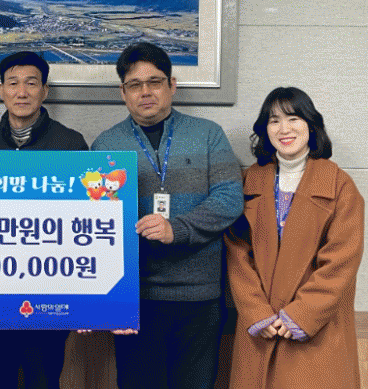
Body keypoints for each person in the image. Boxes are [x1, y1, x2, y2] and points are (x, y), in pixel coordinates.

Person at [91, 42, 243, 389]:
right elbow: (96, 219)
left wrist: (178, 228)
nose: (145, 92)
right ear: (123, 92)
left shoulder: (208, 134)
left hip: (199, 296)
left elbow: (230, 198)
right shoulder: (106, 144)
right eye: (135, 84)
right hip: (134, 298)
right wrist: (97, 299)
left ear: (171, 85)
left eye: (155, 82)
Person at [225, 87, 364, 388]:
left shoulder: (339, 185)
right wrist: (255, 311)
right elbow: (236, 252)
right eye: (274, 120)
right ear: (265, 129)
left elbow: (342, 261)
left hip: (316, 331)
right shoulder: (250, 180)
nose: (284, 129)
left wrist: (302, 313)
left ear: (311, 125)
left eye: (293, 118)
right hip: (260, 329)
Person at [0, 51, 89, 389]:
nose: (21, 92)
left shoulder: (71, 144)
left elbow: (85, 223)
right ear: (1, 90)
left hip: (50, 291)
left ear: (44, 91)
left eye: (31, 84)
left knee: (43, 379)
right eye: (13, 83)